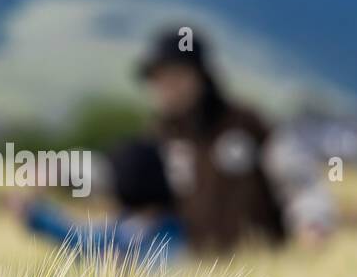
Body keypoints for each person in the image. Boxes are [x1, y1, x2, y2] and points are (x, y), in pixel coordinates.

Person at [137, 28, 331, 251]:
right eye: (159, 80)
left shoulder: (249, 125)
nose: (167, 88)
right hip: (195, 272)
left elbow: (298, 182)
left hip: (260, 266)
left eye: (175, 77)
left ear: (201, 77)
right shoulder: (156, 140)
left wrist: (312, 223)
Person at [20, 137, 184, 260]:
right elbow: (84, 240)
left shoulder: (167, 238)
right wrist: (34, 213)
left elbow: (87, 243)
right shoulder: (128, 224)